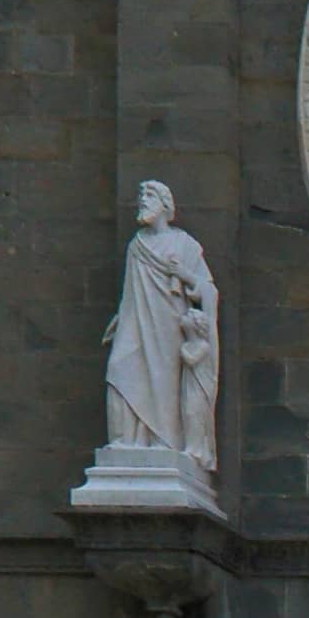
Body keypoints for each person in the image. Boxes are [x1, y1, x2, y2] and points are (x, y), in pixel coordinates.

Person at [103, 180, 220, 488]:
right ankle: (124, 441)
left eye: (149, 196)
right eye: (141, 196)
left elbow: (207, 290)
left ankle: (163, 442)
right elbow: (131, 290)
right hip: (134, 320)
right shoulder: (136, 245)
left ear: (166, 206)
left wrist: (185, 275)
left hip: (167, 325)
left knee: (163, 383)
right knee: (119, 368)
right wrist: (120, 317)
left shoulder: (184, 245)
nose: (142, 201)